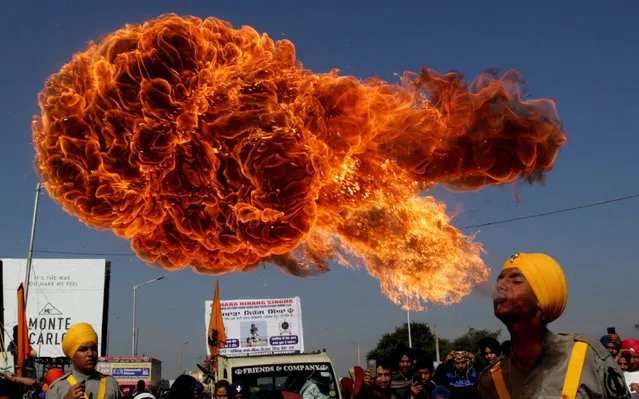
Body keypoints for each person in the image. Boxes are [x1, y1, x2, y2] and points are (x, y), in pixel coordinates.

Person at [476, 252, 630, 398]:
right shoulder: (490, 379)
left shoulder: (587, 357)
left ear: (542, 299)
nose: (500, 286)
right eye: (500, 279)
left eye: (516, 281)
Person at [46, 322, 121, 399]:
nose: (90, 353)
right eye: (83, 349)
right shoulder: (58, 388)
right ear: (72, 355)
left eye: (94, 349)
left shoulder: (110, 384)